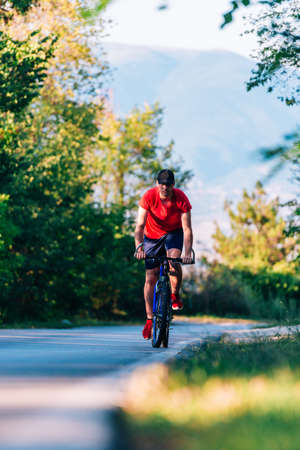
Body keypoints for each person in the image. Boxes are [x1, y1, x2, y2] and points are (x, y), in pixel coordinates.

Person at [134, 169, 193, 339]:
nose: (164, 187)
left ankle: (174, 294)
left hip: (174, 233)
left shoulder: (181, 198)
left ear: (173, 185)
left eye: (168, 184)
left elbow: (187, 229)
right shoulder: (148, 197)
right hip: (151, 236)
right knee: (150, 278)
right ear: (157, 184)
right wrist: (139, 247)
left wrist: (187, 252)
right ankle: (149, 320)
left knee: (174, 260)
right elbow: (139, 227)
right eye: (161, 184)